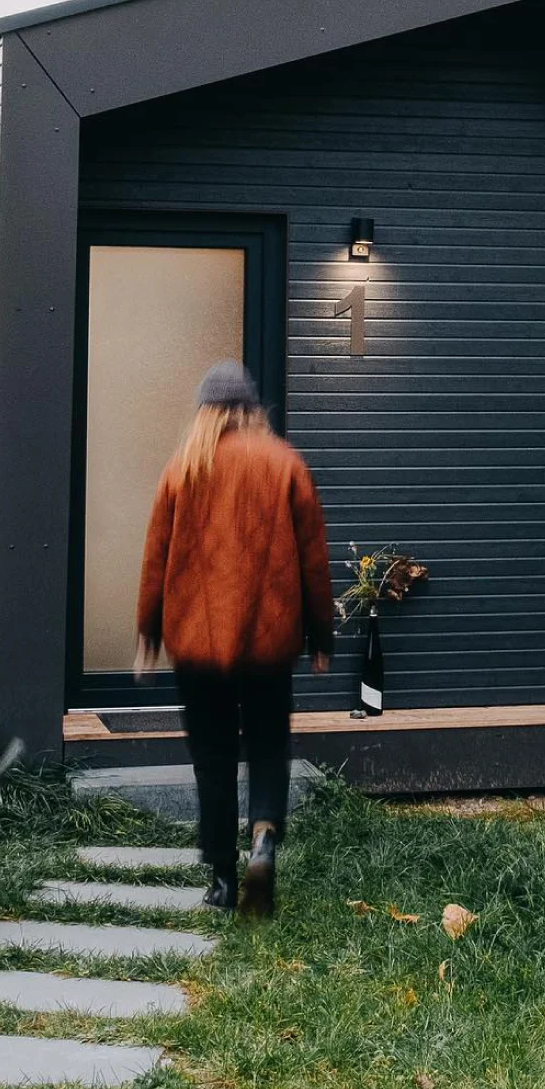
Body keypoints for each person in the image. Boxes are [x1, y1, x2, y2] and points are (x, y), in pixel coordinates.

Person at [134, 360, 334, 916]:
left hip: (198, 648)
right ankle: (264, 838)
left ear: (205, 413)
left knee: (213, 758)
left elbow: (157, 558)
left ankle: (223, 881)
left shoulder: (183, 467)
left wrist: (148, 631)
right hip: (269, 645)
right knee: (269, 743)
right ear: (251, 410)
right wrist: (321, 634)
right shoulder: (284, 465)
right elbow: (314, 561)